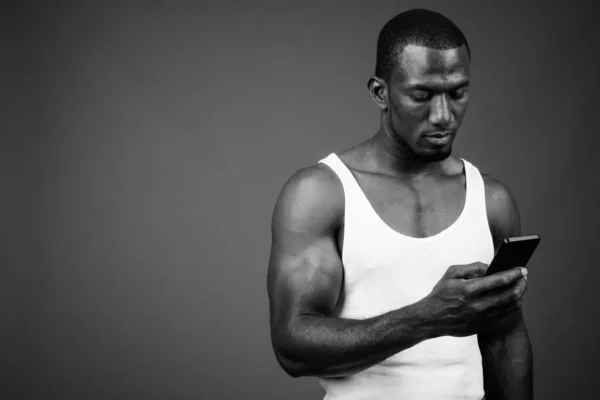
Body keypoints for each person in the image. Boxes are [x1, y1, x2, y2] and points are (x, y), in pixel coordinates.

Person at [267, 8, 532, 400]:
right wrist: (425, 318)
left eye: (457, 93)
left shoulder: (491, 200)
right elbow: (292, 347)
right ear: (380, 93)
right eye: (421, 95)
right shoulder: (322, 193)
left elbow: (504, 337)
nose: (443, 116)